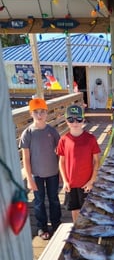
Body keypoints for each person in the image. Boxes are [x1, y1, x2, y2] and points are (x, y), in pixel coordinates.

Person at [19, 98, 62, 240]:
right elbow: (25, 158)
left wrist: (61, 173)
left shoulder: (53, 131)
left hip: (53, 173)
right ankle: (42, 226)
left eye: (42, 112)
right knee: (38, 201)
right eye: (36, 112)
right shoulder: (27, 133)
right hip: (36, 174)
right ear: (31, 114)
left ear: (46, 113)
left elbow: (60, 153)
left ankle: (56, 224)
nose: (39, 115)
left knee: (54, 199)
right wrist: (29, 178)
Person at [57, 104, 101, 222]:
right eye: (71, 119)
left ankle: (88, 231)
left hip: (86, 184)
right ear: (66, 121)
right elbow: (61, 162)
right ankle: (76, 229)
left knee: (88, 210)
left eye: (78, 119)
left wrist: (91, 181)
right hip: (71, 185)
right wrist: (65, 181)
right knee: (75, 209)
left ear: (83, 120)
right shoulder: (63, 139)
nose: (75, 122)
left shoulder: (91, 139)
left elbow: (97, 161)